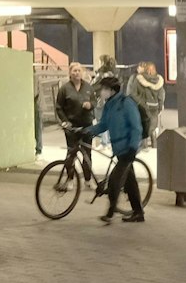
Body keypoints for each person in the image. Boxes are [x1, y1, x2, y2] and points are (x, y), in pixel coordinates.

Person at [83, 73, 146, 224]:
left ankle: (110, 213)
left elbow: (136, 127)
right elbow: (103, 124)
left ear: (113, 90)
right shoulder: (109, 106)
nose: (102, 92)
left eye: (105, 89)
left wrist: (132, 147)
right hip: (118, 149)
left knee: (114, 181)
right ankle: (138, 213)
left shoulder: (126, 103)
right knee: (130, 182)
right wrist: (87, 131)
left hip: (128, 149)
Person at [54, 64, 96, 182]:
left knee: (87, 154)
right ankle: (70, 179)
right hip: (71, 127)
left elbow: (94, 102)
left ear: (82, 73)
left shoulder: (88, 87)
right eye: (74, 71)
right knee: (71, 154)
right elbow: (59, 107)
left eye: (79, 70)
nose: (77, 73)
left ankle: (88, 180)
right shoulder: (64, 89)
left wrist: (90, 105)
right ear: (70, 73)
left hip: (87, 126)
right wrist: (65, 121)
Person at [131, 61, 166, 143]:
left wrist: (140, 102)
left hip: (142, 107)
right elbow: (161, 96)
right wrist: (160, 106)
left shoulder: (139, 79)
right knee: (153, 126)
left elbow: (133, 93)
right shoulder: (159, 81)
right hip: (155, 107)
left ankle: (144, 145)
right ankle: (154, 144)